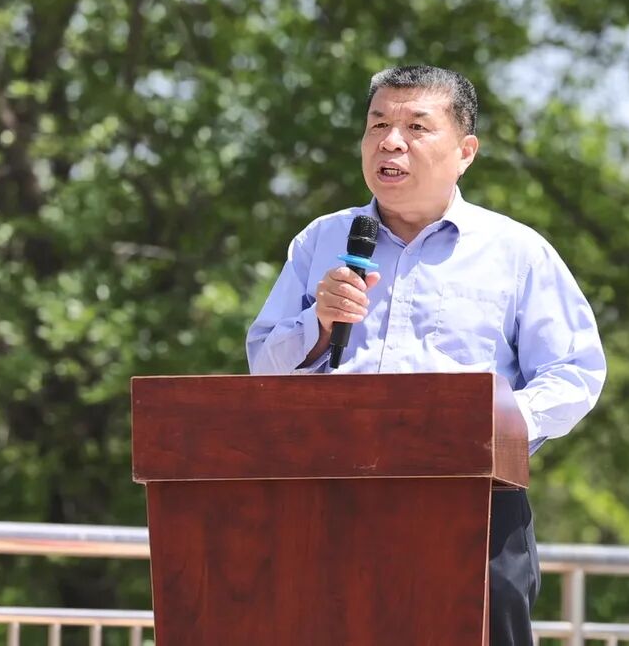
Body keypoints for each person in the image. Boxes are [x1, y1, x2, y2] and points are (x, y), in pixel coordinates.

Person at [246, 65, 606, 646]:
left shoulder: (516, 252)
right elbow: (262, 367)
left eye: (416, 126)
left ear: (465, 152)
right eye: (377, 125)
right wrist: (319, 322)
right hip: (329, 501)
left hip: (474, 505)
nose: (390, 142)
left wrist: (495, 425)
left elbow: (576, 371)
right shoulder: (322, 241)